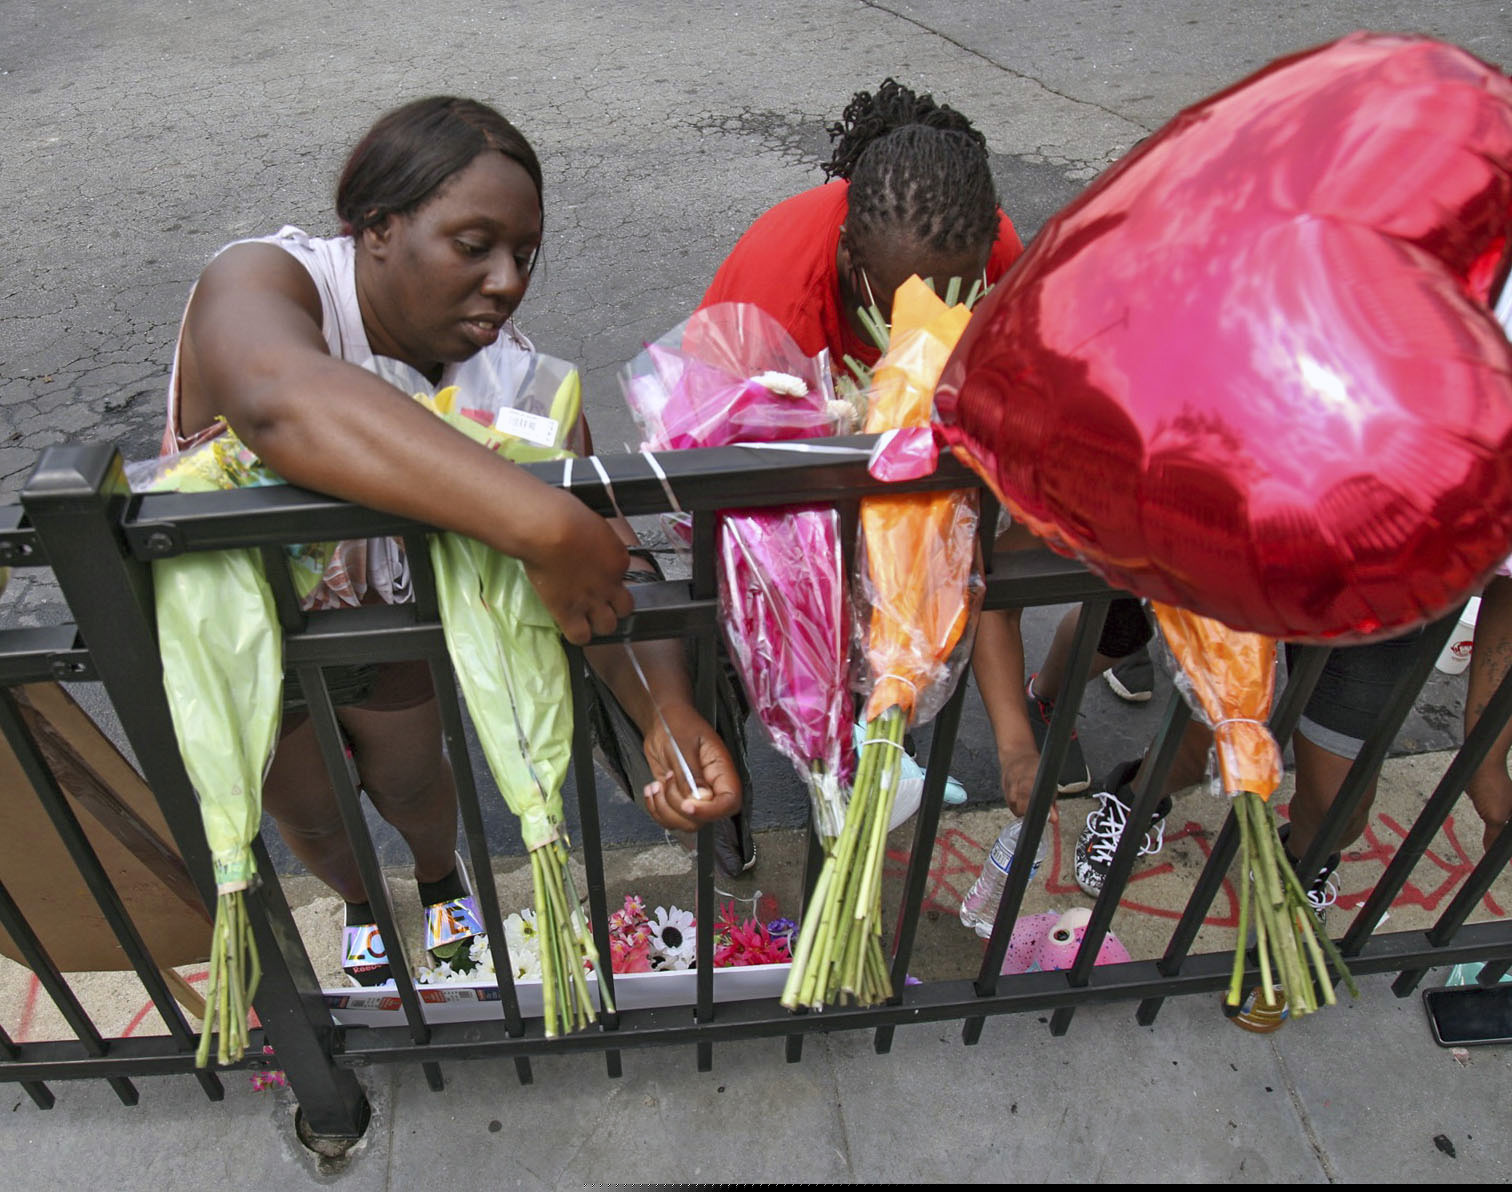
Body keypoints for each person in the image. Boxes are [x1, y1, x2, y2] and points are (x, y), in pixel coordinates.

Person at [163, 96, 743, 984]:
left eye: (524, 255)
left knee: (414, 784)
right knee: (312, 812)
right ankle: (361, 899)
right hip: (250, 644)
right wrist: (540, 520)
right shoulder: (267, 280)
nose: (508, 281)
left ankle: (439, 882)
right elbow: (279, 395)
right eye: (474, 247)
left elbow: (604, 562)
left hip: (390, 626)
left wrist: (663, 710)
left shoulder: (518, 377)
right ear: (376, 228)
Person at [700, 78, 1024, 379]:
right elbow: (721, 429)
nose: (930, 325)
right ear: (849, 251)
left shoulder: (981, 239)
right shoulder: (775, 319)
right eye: (900, 308)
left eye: (959, 299)